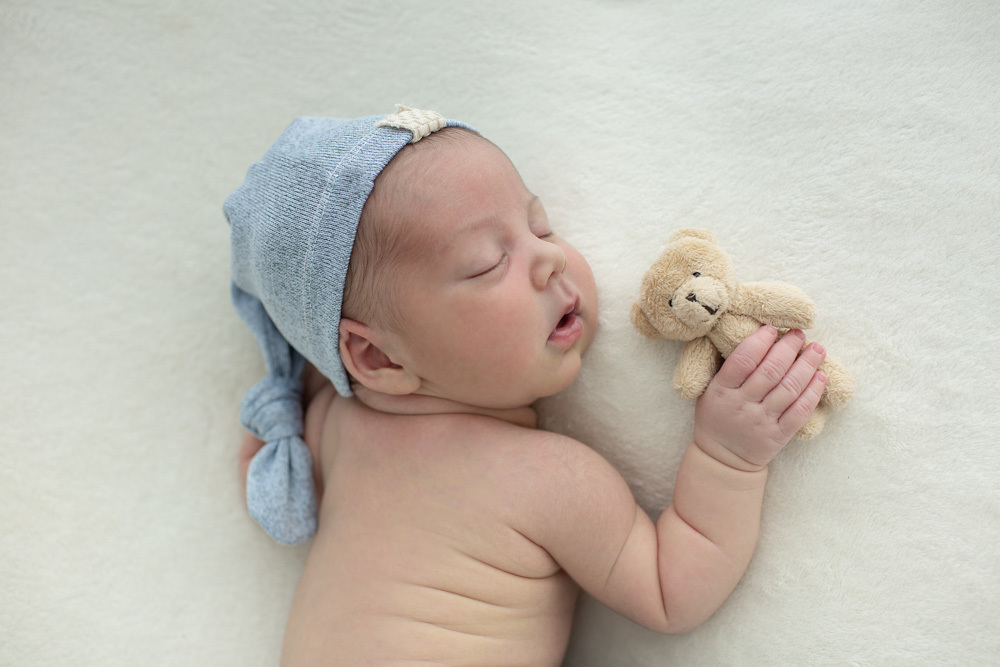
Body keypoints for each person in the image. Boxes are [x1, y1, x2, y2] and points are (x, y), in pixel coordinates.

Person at [226, 107, 829, 665]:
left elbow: (265, 459)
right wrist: (729, 456)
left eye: (541, 228)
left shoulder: (332, 424)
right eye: (490, 263)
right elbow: (673, 591)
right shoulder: (550, 479)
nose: (552, 260)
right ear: (375, 356)